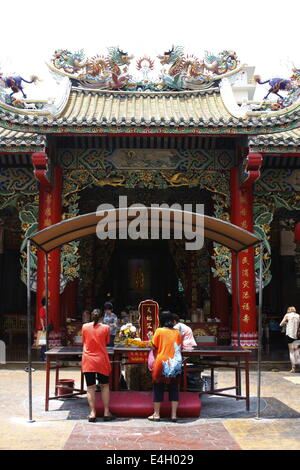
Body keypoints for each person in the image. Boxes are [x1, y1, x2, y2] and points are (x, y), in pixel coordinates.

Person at [81, 309, 115, 422]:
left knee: (90, 387)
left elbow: (84, 341)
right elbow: (106, 342)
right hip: (101, 359)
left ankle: (92, 413)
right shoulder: (106, 328)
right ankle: (106, 411)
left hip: (88, 359)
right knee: (104, 385)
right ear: (102, 318)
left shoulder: (85, 327)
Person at [148, 311, 182, 422]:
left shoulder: (159, 331)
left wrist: (150, 338)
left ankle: (157, 414)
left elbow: (153, 346)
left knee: (158, 387)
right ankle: (174, 415)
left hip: (161, 362)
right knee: (174, 388)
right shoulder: (178, 332)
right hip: (175, 362)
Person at [280, 306, 300, 373]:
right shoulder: (298, 315)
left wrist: (286, 323)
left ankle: (293, 368)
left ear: (289, 310)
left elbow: (281, 324)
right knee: (297, 351)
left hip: (289, 335)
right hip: (297, 336)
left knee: (291, 352)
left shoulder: (287, 315)